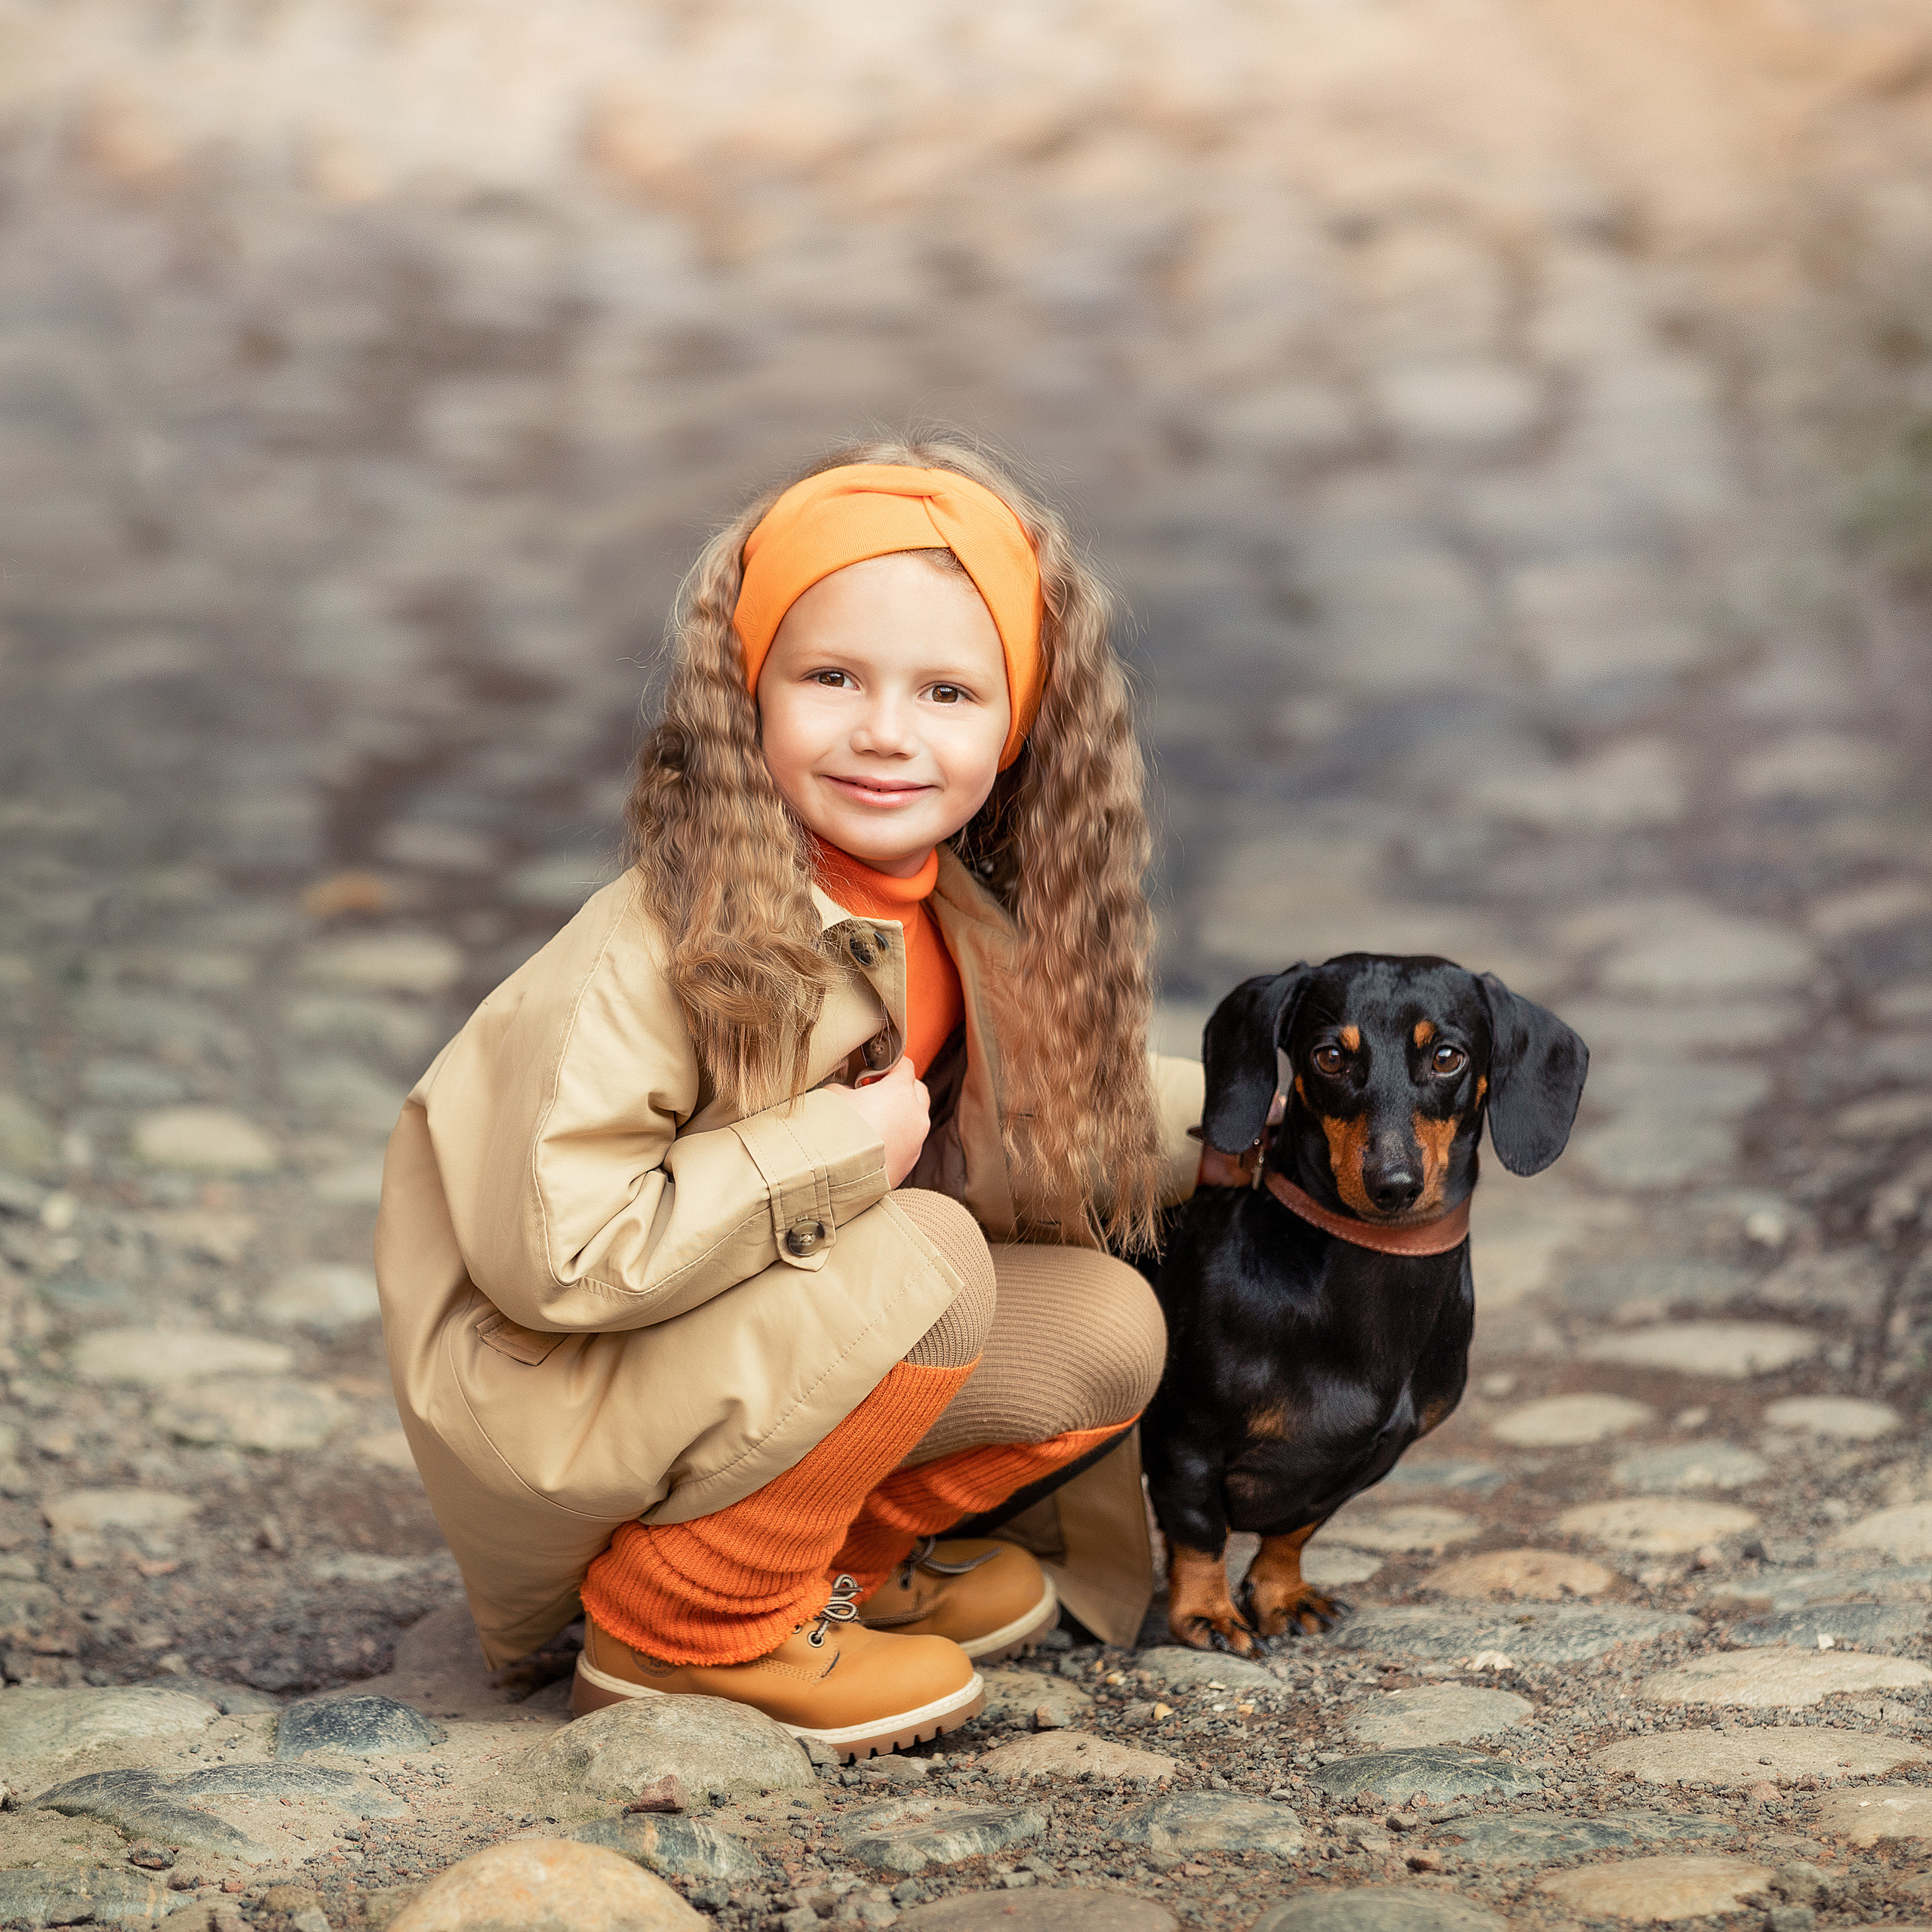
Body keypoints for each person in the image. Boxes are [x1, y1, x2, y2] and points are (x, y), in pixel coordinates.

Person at [374, 435, 1204, 1760]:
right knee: (927, 1255)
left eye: (946, 691)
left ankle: (833, 1568)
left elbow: (1036, 1112)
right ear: (746, 695)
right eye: (831, 678)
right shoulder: (657, 946)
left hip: (728, 1356)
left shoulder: (956, 921)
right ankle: (686, 1627)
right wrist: (836, 1151)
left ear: (1021, 724)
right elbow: (560, 1257)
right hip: (562, 1381)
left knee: (1107, 1326)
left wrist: (1243, 1120)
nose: (886, 730)